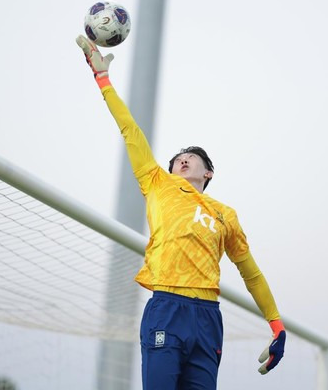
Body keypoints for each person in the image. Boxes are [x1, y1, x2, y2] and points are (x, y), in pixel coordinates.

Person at [76, 35, 286, 390]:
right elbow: (129, 129)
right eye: (177, 158)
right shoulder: (158, 183)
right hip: (167, 307)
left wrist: (276, 325)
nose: (182, 158)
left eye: (193, 156)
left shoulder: (225, 215)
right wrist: (103, 79)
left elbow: (250, 273)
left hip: (208, 318)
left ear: (209, 173)